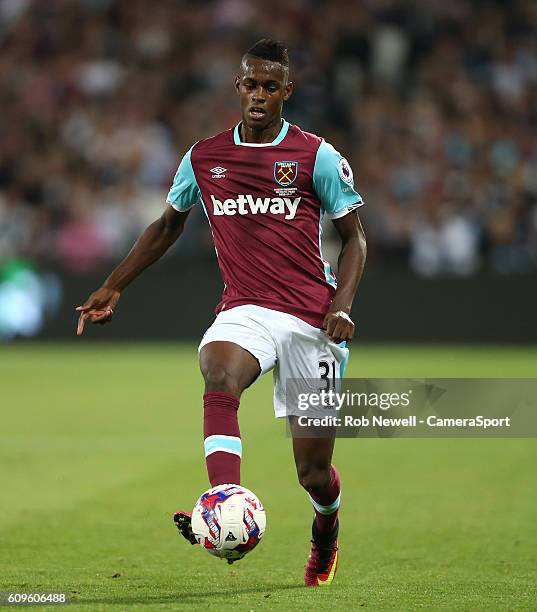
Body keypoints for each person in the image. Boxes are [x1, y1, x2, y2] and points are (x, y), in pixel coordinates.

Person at [76, 38, 367, 587]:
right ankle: (223, 499)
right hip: (246, 308)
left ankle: (326, 526)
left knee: (313, 473)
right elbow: (167, 225)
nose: (259, 95)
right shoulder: (204, 157)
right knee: (219, 371)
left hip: (311, 319)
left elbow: (355, 239)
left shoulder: (315, 155)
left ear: (286, 91)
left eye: (270, 86)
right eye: (250, 85)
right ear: (238, 88)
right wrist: (113, 286)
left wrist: (343, 305)